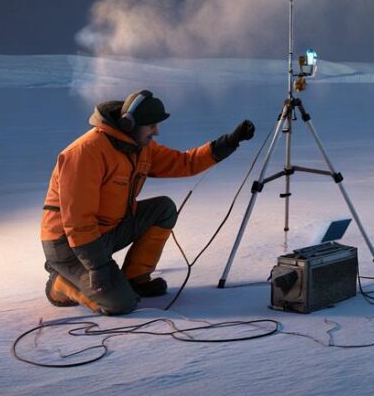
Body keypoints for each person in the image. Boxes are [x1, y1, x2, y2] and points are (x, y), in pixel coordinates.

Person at [41, 89, 255, 314]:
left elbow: (184, 163)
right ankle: (60, 283)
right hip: (69, 244)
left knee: (163, 209)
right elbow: (78, 221)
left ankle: (136, 278)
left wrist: (229, 142)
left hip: (107, 231)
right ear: (128, 123)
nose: (157, 131)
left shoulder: (140, 147)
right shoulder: (85, 153)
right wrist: (98, 266)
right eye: (151, 125)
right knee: (120, 304)